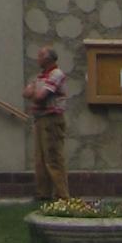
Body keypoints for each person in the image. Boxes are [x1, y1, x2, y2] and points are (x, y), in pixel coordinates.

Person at [24, 43, 70, 202]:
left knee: (53, 157)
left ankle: (62, 195)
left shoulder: (56, 74)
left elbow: (39, 96)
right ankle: (43, 193)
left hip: (52, 120)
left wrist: (33, 93)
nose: (37, 59)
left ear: (49, 58)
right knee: (40, 159)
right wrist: (33, 93)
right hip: (40, 119)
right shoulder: (40, 76)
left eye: (41, 55)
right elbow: (26, 92)